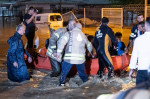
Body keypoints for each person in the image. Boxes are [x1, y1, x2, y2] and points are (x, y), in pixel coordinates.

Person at [129, 17, 150, 85]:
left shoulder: (138, 39)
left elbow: (134, 55)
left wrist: (131, 69)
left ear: (145, 26)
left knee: (141, 94)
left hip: (142, 71)